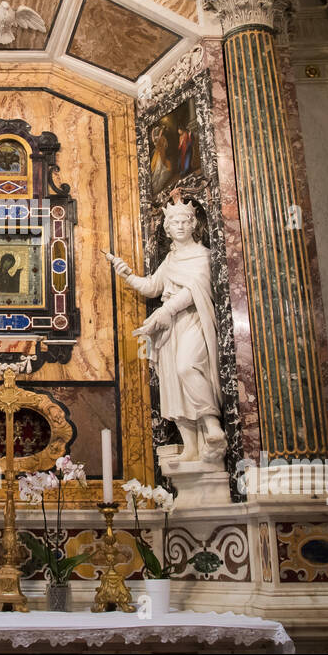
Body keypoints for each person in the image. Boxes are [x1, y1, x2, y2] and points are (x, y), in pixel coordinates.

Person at [106, 196, 224, 463]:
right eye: (174, 222)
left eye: (184, 221)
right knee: (172, 379)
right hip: (169, 326)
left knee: (187, 366)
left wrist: (166, 311)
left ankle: (212, 425)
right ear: (167, 229)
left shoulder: (203, 256)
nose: (179, 226)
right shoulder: (170, 259)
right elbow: (152, 287)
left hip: (192, 319)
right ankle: (191, 446)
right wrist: (125, 274)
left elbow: (196, 290)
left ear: (194, 224)